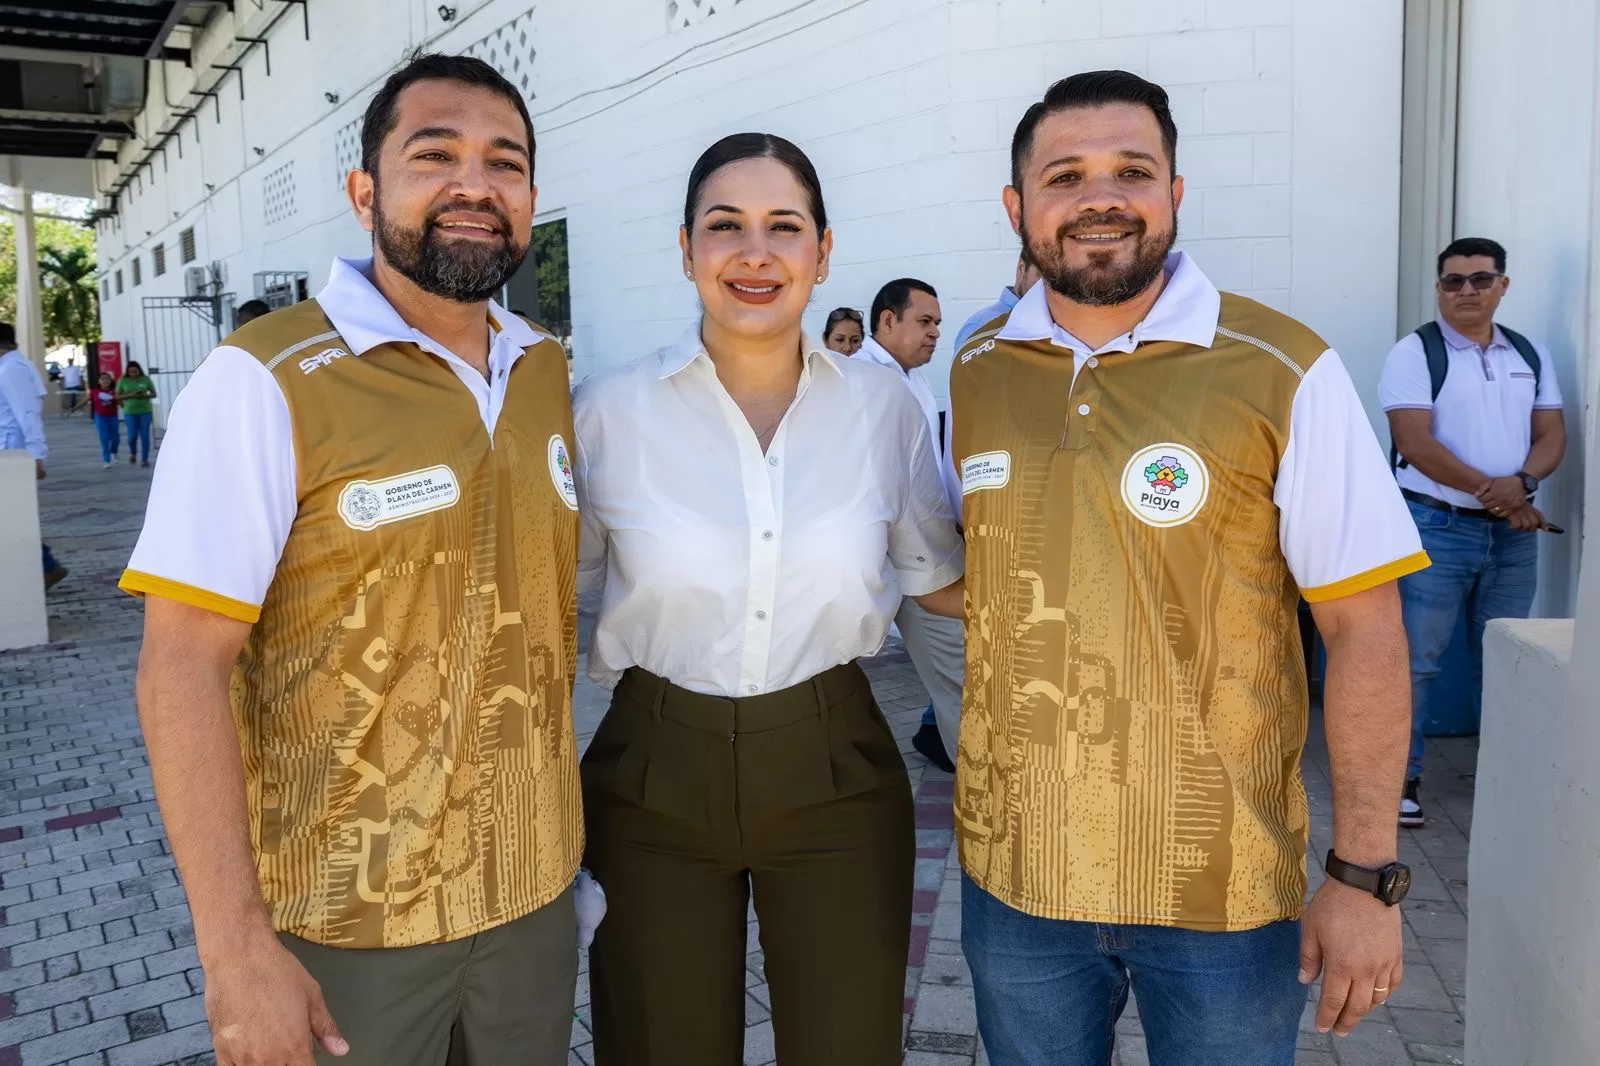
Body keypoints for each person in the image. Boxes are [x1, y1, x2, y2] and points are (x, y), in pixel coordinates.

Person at [950, 71, 1428, 1066]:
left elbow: (1365, 629)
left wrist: (1364, 873)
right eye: (1064, 174)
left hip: (1222, 892)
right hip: (1016, 882)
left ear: (1175, 190)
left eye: (1133, 169)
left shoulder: (1281, 365)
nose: (1100, 197)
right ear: (1017, 206)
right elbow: (976, 569)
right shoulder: (978, 365)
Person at [121, 53, 583, 1066]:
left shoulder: (542, 367)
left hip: (530, 909)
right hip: (343, 928)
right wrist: (234, 950)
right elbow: (179, 666)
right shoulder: (262, 381)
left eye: (503, 163)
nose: (474, 183)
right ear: (363, 191)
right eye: (435, 155)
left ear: (532, 198)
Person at [573, 132, 964, 1066]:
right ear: (685, 250)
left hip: (834, 763)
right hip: (651, 770)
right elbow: (553, 595)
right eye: (725, 227)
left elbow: (937, 581)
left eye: (783, 227)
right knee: (658, 1045)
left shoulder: (884, 411)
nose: (755, 252)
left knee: (847, 1046)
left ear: (822, 252)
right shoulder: (604, 412)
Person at [1379, 236, 1566, 829]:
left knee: (1509, 656)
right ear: (1439, 289)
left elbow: (1552, 434)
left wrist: (1523, 485)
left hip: (1513, 534)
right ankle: (1398, 781)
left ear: (1502, 286)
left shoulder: (1529, 354)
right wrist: (1503, 492)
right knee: (1416, 661)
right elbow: (1415, 443)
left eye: (1480, 279)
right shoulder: (1415, 353)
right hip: (1437, 526)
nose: (1466, 290)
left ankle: (1505, 778)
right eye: (1453, 281)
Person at [856, 278, 964, 774]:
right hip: (903, 561)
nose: (935, 333)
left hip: (923, 556)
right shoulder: (861, 382)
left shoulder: (912, 379)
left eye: (938, 323)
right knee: (963, 680)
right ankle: (988, 796)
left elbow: (931, 472)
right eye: (924, 321)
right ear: (886, 320)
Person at [0, 322, 66, 589]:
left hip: (13, 454)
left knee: (12, 516)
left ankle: (46, 565)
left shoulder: (12, 370)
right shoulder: (12, 367)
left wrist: (36, 456)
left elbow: (28, 415)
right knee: (11, 515)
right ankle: (45, 565)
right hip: (10, 452)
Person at [954, 254, 1041, 349]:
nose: (1050, 287)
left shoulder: (1053, 325)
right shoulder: (980, 327)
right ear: (1021, 268)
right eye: (1042, 275)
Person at [116, 362, 157, 466]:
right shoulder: (123, 380)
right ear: (127, 372)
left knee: (144, 436)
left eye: (135, 371)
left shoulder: (145, 379)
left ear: (139, 370)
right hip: (130, 412)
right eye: (131, 372)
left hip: (144, 411)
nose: (133, 374)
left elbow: (154, 393)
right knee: (132, 436)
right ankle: (133, 453)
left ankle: (144, 459)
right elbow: (117, 396)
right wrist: (131, 395)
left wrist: (144, 395)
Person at [90, 371, 121, 467]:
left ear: (111, 380)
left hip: (112, 416)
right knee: (104, 438)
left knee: (116, 438)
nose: (105, 380)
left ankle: (114, 451)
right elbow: (85, 400)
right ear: (99, 381)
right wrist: (73, 409)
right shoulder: (94, 391)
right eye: (102, 379)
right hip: (100, 417)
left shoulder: (115, 391)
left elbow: (120, 401)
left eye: (107, 378)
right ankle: (106, 460)